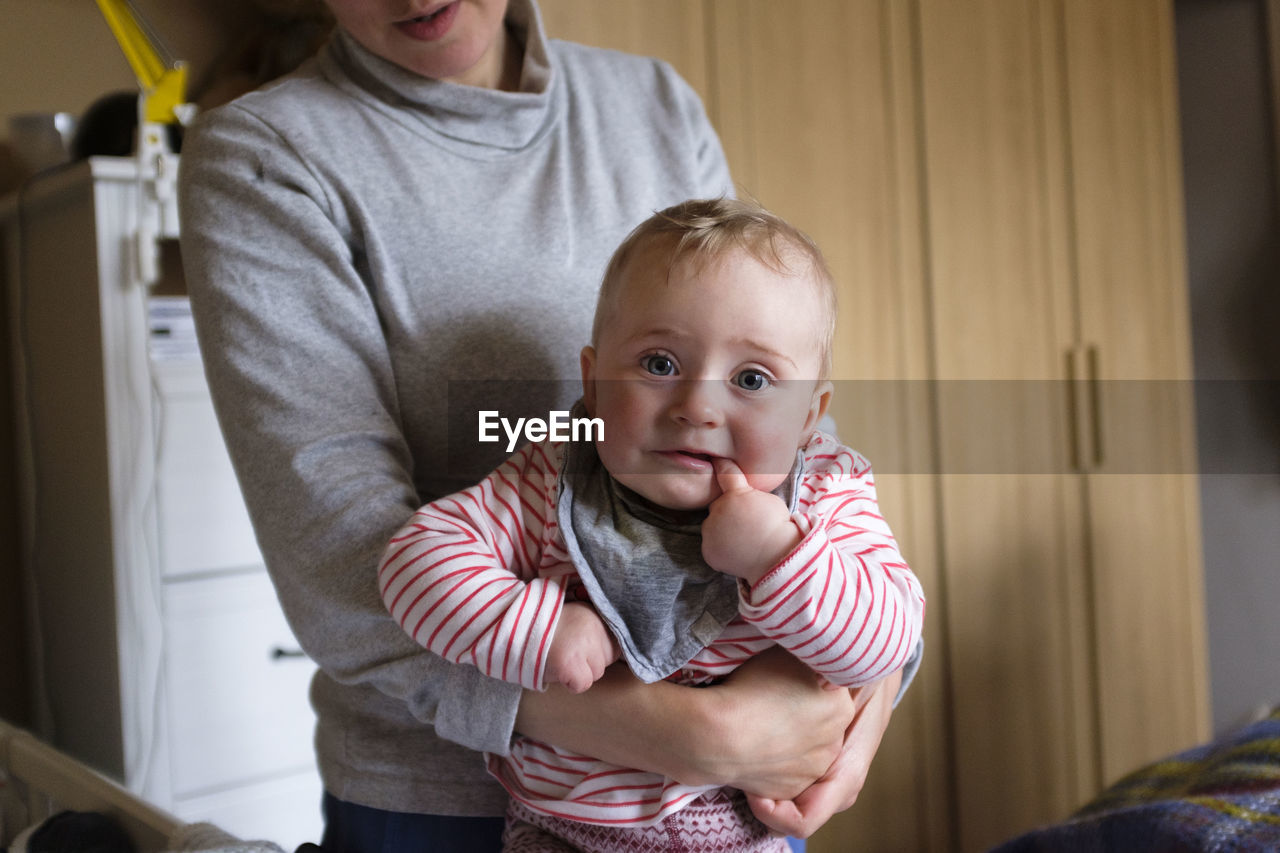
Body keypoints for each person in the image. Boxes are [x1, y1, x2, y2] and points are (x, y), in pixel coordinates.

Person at [177, 1, 921, 849]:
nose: (697, 407)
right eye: (660, 365)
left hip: (744, 800)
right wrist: (681, 731)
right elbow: (349, 565)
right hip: (447, 801)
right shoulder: (269, 156)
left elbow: (795, 436)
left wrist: (860, 706)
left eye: (735, 379)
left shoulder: (655, 107)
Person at [377, 198, 926, 852]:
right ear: (594, 382)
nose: (697, 405)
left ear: (811, 415)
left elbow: (888, 639)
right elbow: (413, 561)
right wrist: (538, 627)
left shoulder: (824, 494)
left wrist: (779, 556)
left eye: (752, 377)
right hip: (560, 837)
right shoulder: (553, 478)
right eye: (660, 363)